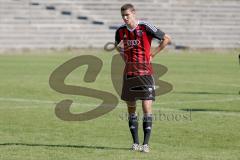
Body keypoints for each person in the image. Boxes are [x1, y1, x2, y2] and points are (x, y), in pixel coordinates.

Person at [115, 4, 171, 153]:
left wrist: (153, 54)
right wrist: (124, 56)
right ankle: (135, 143)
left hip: (145, 74)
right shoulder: (120, 31)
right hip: (129, 75)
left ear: (134, 13)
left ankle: (146, 144)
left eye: (127, 15)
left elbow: (166, 38)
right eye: (123, 16)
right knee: (131, 109)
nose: (125, 18)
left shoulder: (145, 27)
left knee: (146, 108)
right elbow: (117, 45)